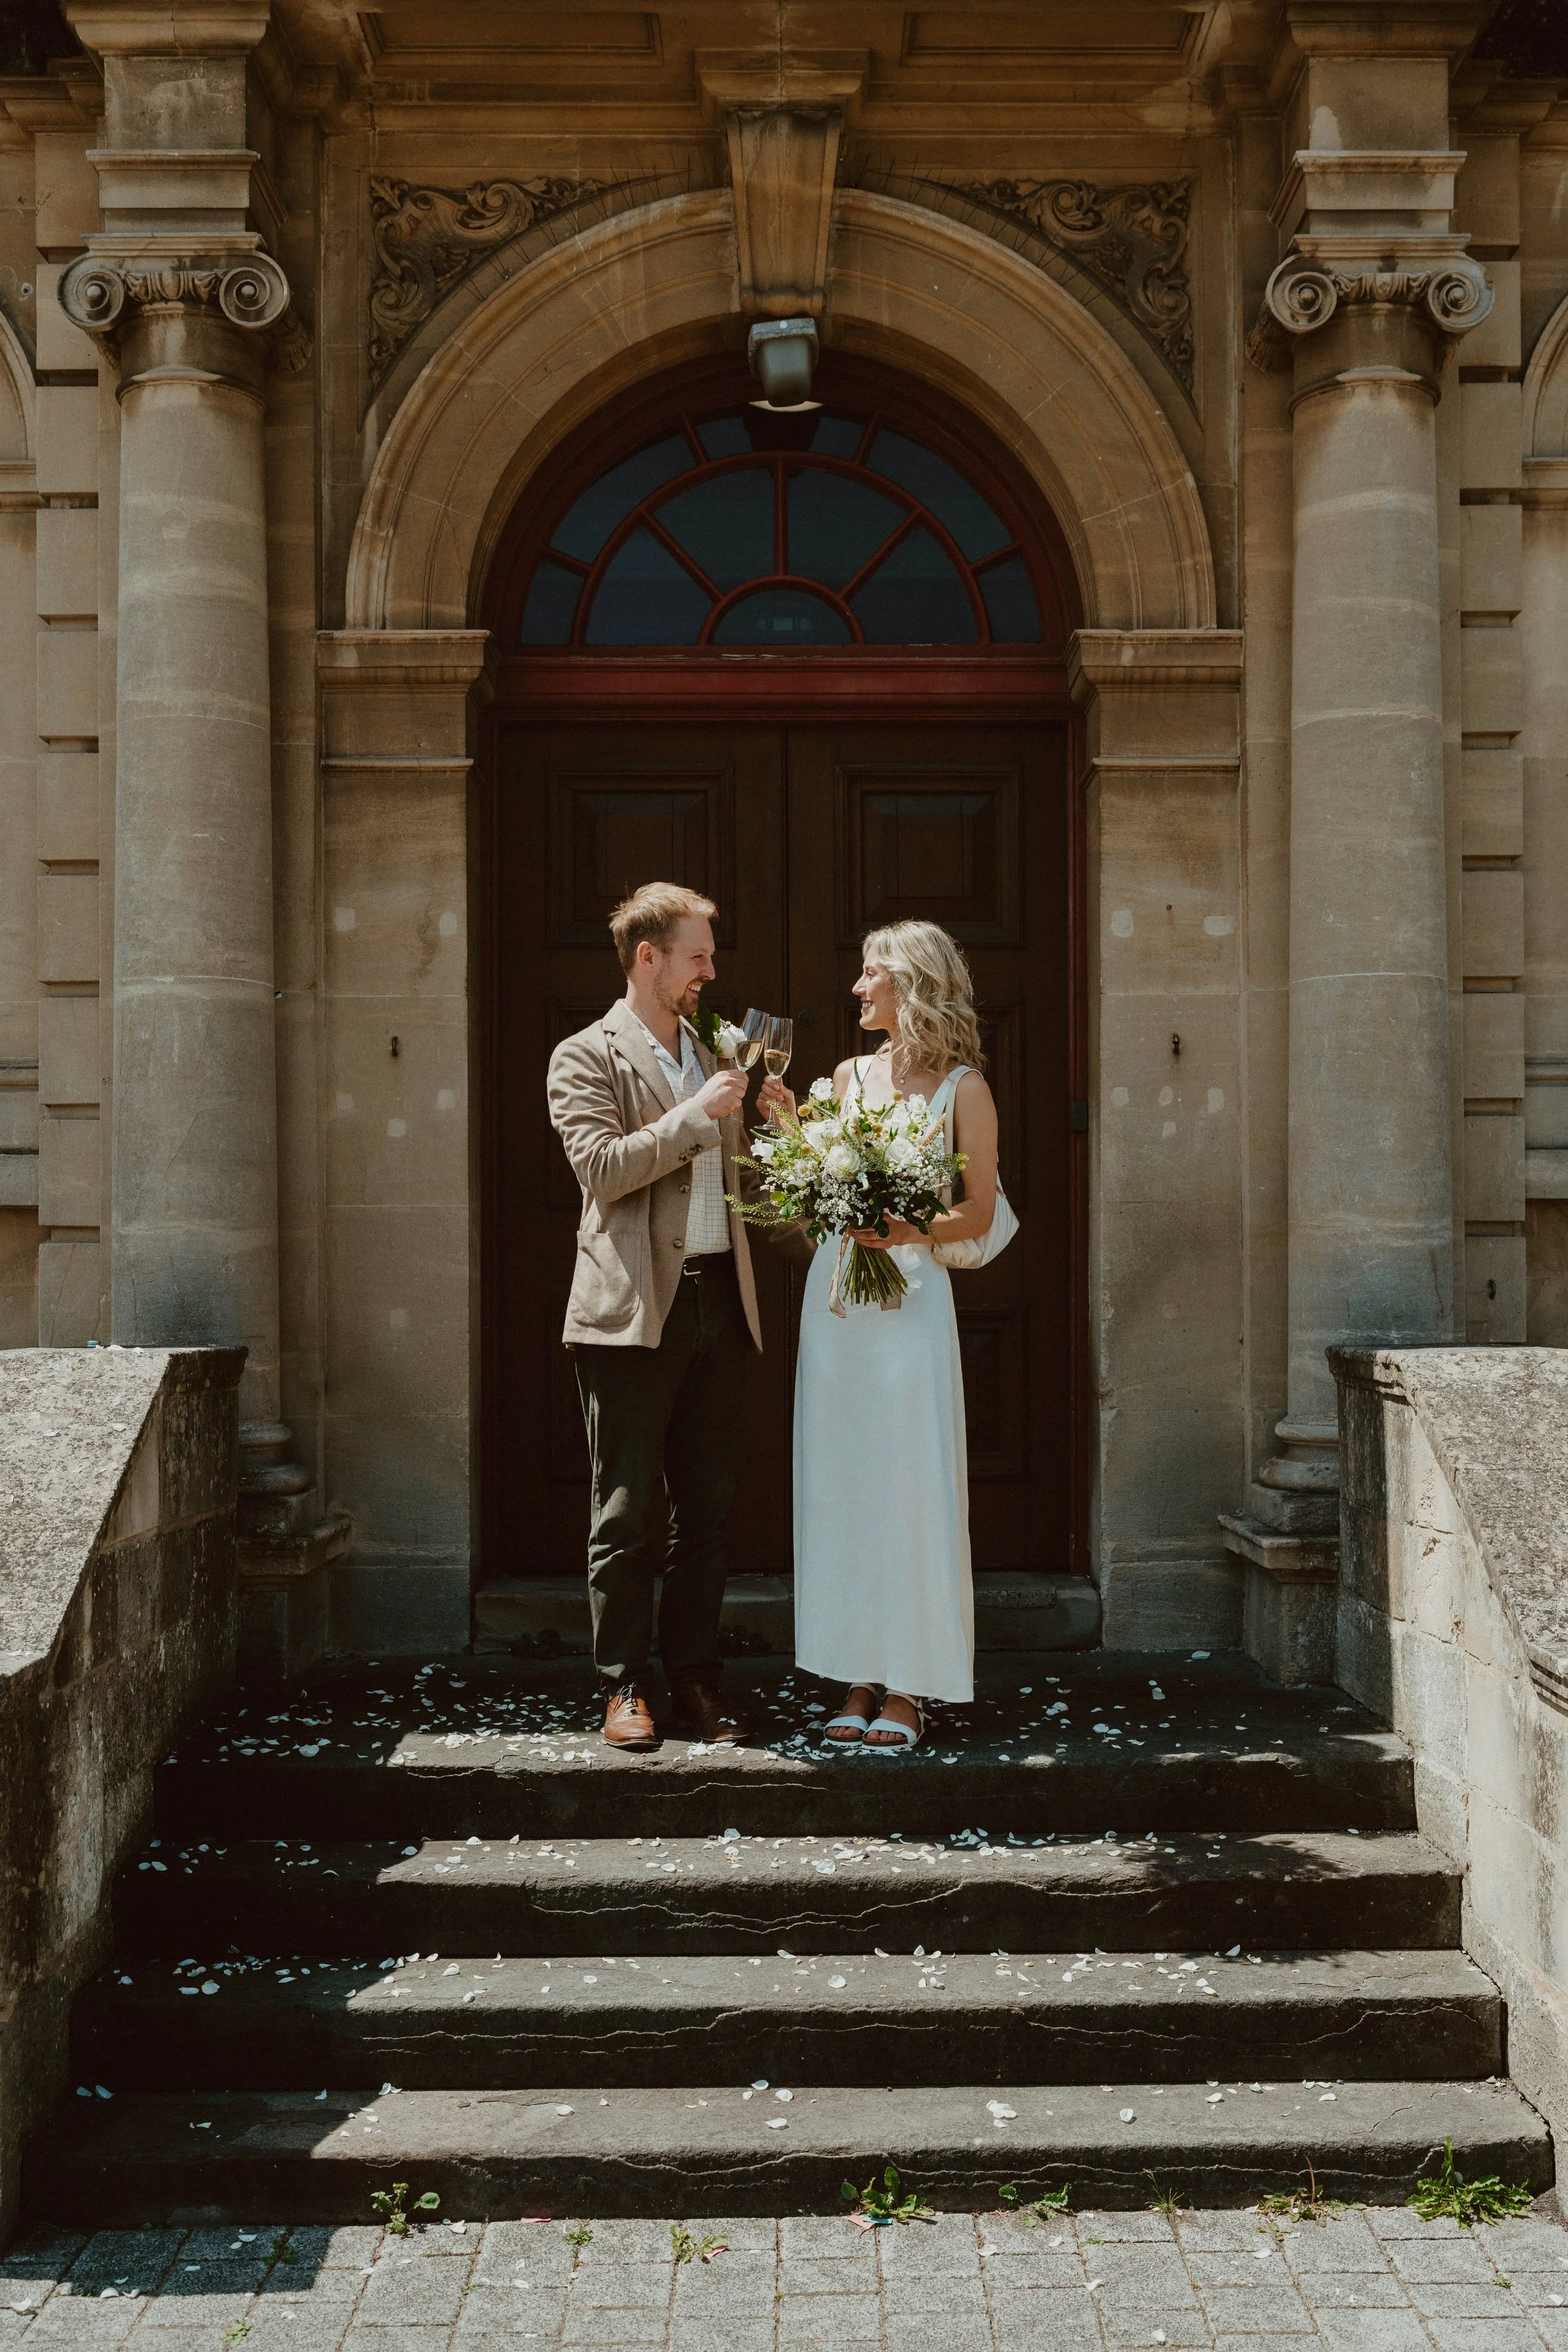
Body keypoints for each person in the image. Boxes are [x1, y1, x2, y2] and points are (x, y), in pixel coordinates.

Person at [758, 921, 999, 1751]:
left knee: (910, 1487)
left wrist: (901, 1224)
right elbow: (815, 1192)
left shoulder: (963, 1087)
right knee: (846, 1486)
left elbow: (980, 1211)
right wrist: (793, 1131)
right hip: (839, 1314)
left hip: (912, 1308)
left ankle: (911, 1685)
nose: (857, 988)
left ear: (911, 983)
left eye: (872, 975)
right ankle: (857, 1672)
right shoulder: (845, 1074)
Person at [548, 882, 760, 1751]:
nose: (712, 970)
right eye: (699, 954)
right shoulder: (584, 1055)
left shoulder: (721, 1049)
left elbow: (738, 1179)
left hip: (721, 1298)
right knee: (628, 1508)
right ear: (649, 957)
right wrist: (694, 1116)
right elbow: (601, 1168)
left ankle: (697, 1681)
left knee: (706, 1513)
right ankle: (624, 1684)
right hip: (635, 1310)